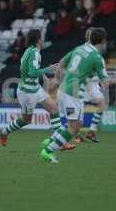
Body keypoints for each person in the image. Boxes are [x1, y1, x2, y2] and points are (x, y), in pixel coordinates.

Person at [40, 28, 108, 163]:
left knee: (77, 124)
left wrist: (57, 80)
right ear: (103, 41)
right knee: (74, 127)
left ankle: (51, 140)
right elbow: (105, 84)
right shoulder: (97, 57)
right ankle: (48, 151)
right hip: (72, 93)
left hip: (66, 90)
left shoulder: (80, 49)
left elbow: (62, 63)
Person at [0, 29, 62, 146]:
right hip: (27, 92)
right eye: (41, 37)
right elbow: (32, 72)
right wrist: (49, 69)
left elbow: (31, 69)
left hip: (35, 88)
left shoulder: (30, 51)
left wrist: (44, 77)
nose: (43, 39)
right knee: (26, 120)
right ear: (38, 40)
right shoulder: (34, 53)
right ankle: (4, 131)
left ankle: (59, 141)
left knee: (54, 110)